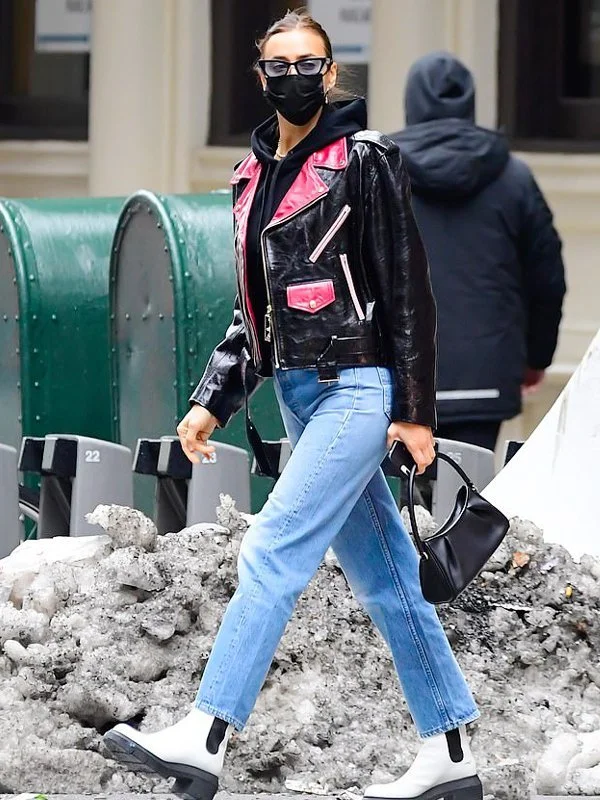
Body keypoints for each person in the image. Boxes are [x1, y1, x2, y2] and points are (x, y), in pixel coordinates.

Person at [103, 14, 482, 800]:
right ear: (260, 75)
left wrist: (415, 408)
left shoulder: (365, 160)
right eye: (277, 63)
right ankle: (450, 751)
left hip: (358, 387)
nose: (293, 75)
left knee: (271, 550)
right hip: (302, 399)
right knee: (388, 582)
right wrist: (215, 396)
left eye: (307, 62)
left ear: (332, 72)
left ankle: (207, 736)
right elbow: (258, 308)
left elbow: (407, 288)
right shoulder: (250, 177)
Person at [391, 52, 567, 453]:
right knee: (470, 497)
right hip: (486, 375)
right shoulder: (514, 177)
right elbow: (547, 280)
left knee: (401, 506)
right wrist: (537, 357)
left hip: (402, 377)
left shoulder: (381, 171)